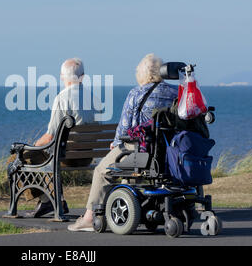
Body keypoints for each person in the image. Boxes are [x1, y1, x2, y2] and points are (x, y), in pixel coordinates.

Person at [67, 53, 178, 231]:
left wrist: (115, 143)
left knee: (102, 170)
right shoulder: (176, 93)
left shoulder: (136, 93)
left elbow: (125, 128)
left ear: (142, 73)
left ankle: (88, 217)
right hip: (169, 151)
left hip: (140, 149)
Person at [22, 57, 100, 218]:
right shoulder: (94, 98)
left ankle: (47, 200)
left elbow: (49, 137)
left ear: (62, 76)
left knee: (22, 157)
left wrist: (33, 146)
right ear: (83, 76)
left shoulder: (62, 98)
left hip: (67, 157)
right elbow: (98, 130)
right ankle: (55, 201)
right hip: (86, 157)